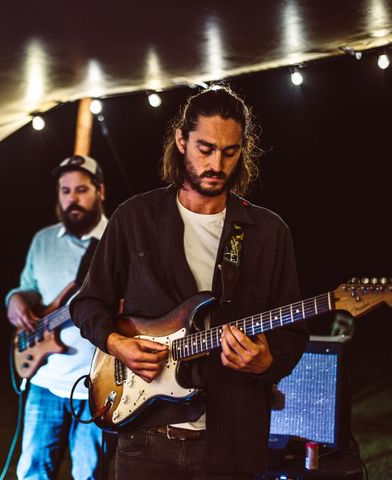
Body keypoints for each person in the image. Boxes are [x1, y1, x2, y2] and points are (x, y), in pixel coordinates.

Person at [70, 87, 309, 479]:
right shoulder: (135, 218)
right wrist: (117, 344)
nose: (217, 163)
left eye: (229, 152)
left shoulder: (268, 233)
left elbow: (294, 334)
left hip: (231, 444)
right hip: (146, 439)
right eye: (206, 148)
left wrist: (267, 361)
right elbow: (88, 303)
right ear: (181, 140)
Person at [6, 155, 109, 479]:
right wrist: (16, 300)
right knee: (33, 473)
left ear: (100, 191)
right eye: (65, 191)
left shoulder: (118, 242)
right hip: (44, 382)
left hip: (94, 388)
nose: (72, 199)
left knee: (89, 475)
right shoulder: (43, 240)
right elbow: (28, 288)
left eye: (81, 189)